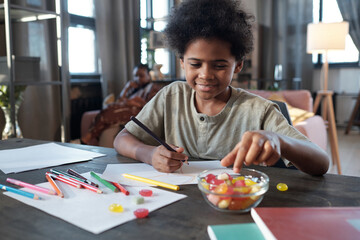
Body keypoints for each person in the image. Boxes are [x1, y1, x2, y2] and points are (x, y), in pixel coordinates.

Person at [113, 0, 329, 176]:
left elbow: (321, 163)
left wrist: (279, 140)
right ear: (181, 62)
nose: (205, 74)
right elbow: (122, 139)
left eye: (219, 65)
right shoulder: (171, 96)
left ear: (238, 65)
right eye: (195, 64)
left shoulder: (259, 111)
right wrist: (148, 154)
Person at [81, 64, 164, 145]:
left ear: (148, 75)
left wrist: (134, 102)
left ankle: (87, 138)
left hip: (139, 112)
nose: (137, 78)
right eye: (135, 76)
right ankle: (88, 138)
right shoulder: (133, 88)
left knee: (111, 111)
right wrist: (126, 88)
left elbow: (151, 107)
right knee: (110, 107)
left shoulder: (154, 88)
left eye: (141, 76)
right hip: (127, 108)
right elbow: (119, 101)